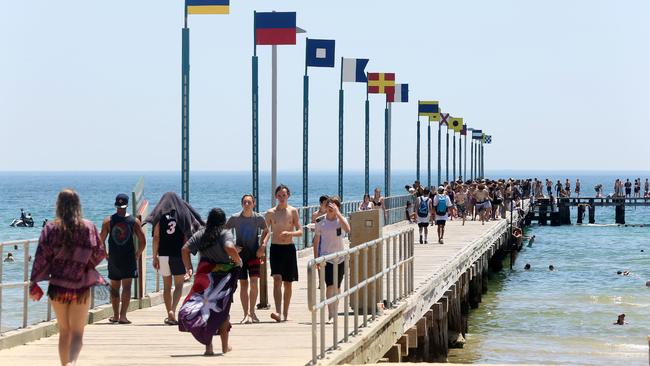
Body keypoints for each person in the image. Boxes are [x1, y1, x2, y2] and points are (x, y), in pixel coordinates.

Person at [29, 189, 106, 366]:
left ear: (59, 205)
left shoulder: (50, 228)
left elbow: (41, 256)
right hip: (81, 286)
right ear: (78, 205)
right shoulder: (88, 227)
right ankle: (71, 363)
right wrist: (85, 263)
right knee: (77, 333)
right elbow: (100, 252)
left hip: (58, 286)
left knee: (64, 331)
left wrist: (35, 281)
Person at [179, 208, 242, 356]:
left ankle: (208, 347)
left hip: (204, 276)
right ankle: (225, 347)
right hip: (222, 278)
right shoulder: (224, 233)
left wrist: (189, 267)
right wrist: (238, 260)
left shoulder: (201, 233)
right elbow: (229, 247)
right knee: (222, 311)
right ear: (223, 221)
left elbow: (184, 250)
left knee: (205, 312)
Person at [147, 192, 204, 326]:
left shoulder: (160, 216)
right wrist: (188, 260)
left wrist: (154, 256)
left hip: (163, 255)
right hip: (178, 255)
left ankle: (169, 314)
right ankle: (173, 309)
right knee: (178, 285)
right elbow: (186, 237)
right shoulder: (182, 215)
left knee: (166, 286)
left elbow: (156, 237)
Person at [99, 193, 147, 324]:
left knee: (115, 287)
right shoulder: (134, 221)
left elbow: (100, 240)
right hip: (128, 259)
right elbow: (143, 241)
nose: (120, 209)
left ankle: (115, 316)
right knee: (126, 287)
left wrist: (106, 254)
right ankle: (122, 316)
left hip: (114, 259)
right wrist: (138, 254)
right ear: (127, 205)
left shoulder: (108, 221)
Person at [226, 194, 268, 325]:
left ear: (254, 204)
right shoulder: (235, 218)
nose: (247, 205)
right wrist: (232, 246)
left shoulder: (258, 218)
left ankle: (252, 311)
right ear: (241, 204)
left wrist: (263, 246)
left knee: (254, 283)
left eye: (249, 202)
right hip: (240, 255)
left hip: (254, 253)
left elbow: (267, 231)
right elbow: (225, 231)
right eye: (245, 202)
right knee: (243, 284)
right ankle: (246, 314)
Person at [263, 184, 303, 322]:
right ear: (275, 196)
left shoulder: (293, 211)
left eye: (284, 195)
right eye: (279, 195)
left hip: (289, 249)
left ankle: (286, 313)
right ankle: (278, 312)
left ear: (288, 196)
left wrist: (289, 233)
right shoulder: (270, 213)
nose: (281, 197)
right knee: (277, 279)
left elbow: (300, 231)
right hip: (275, 248)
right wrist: (262, 245)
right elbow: (266, 231)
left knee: (288, 283)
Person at [312, 196, 350, 323]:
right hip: (326, 258)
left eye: (333, 206)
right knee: (330, 286)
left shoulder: (341, 220)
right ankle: (331, 313)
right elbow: (316, 240)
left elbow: (348, 229)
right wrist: (316, 258)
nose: (331, 208)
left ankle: (335, 308)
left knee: (337, 286)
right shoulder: (320, 221)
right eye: (329, 205)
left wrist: (338, 214)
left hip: (339, 258)